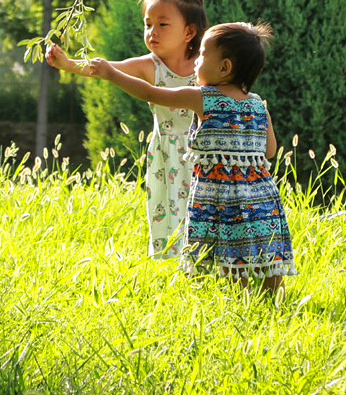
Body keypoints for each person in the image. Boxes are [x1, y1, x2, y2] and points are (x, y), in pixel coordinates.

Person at [84, 21, 295, 293]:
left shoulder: (202, 98)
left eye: (203, 54)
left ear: (225, 67)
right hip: (261, 197)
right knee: (265, 251)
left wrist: (111, 73)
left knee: (230, 256)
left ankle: (239, 302)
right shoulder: (257, 105)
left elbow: (151, 93)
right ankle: (273, 298)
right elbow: (270, 151)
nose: (196, 61)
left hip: (219, 198)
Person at [46, 0, 207, 259]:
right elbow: (106, 68)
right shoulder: (150, 65)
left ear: (189, 32)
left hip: (200, 152)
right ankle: (177, 262)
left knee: (201, 207)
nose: (151, 32)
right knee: (169, 208)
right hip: (166, 153)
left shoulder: (204, 65)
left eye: (162, 24)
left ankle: (203, 259)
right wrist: (68, 64)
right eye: (147, 24)